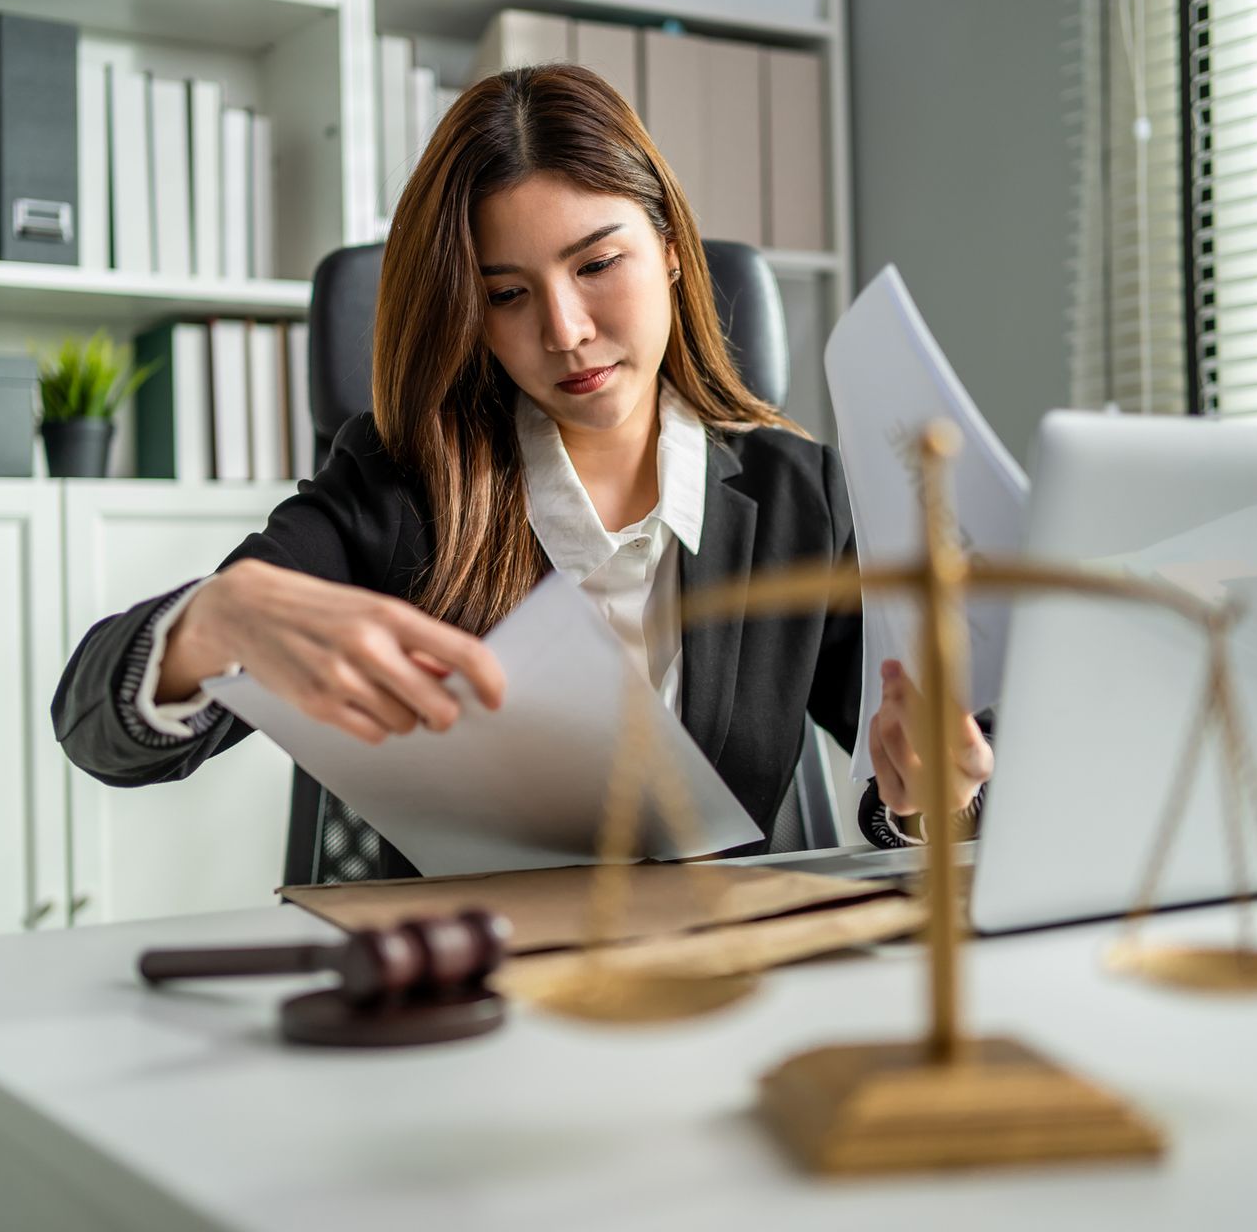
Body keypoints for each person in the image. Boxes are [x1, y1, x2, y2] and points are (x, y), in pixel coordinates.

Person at [51, 63, 991, 882]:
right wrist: (207, 623)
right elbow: (95, 730)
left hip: (709, 992)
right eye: (507, 294)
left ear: (671, 251)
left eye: (597, 264)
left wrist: (926, 800)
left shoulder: (801, 496)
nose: (565, 331)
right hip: (469, 994)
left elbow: (905, 776)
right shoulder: (400, 486)